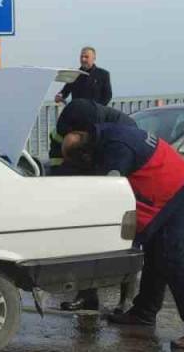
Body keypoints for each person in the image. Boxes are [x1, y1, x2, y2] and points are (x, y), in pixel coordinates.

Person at [62, 124, 184, 349]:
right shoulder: (106, 134)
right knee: (156, 255)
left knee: (174, 261)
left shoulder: (117, 150)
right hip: (174, 186)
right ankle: (143, 313)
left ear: (85, 152)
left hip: (177, 192)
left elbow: (110, 192)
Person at [48, 99, 138, 312]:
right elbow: (56, 161)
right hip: (88, 187)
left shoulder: (122, 130)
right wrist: (61, 183)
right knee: (85, 243)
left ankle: (127, 301)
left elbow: (120, 171)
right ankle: (87, 296)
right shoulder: (64, 129)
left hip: (119, 188)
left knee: (126, 244)